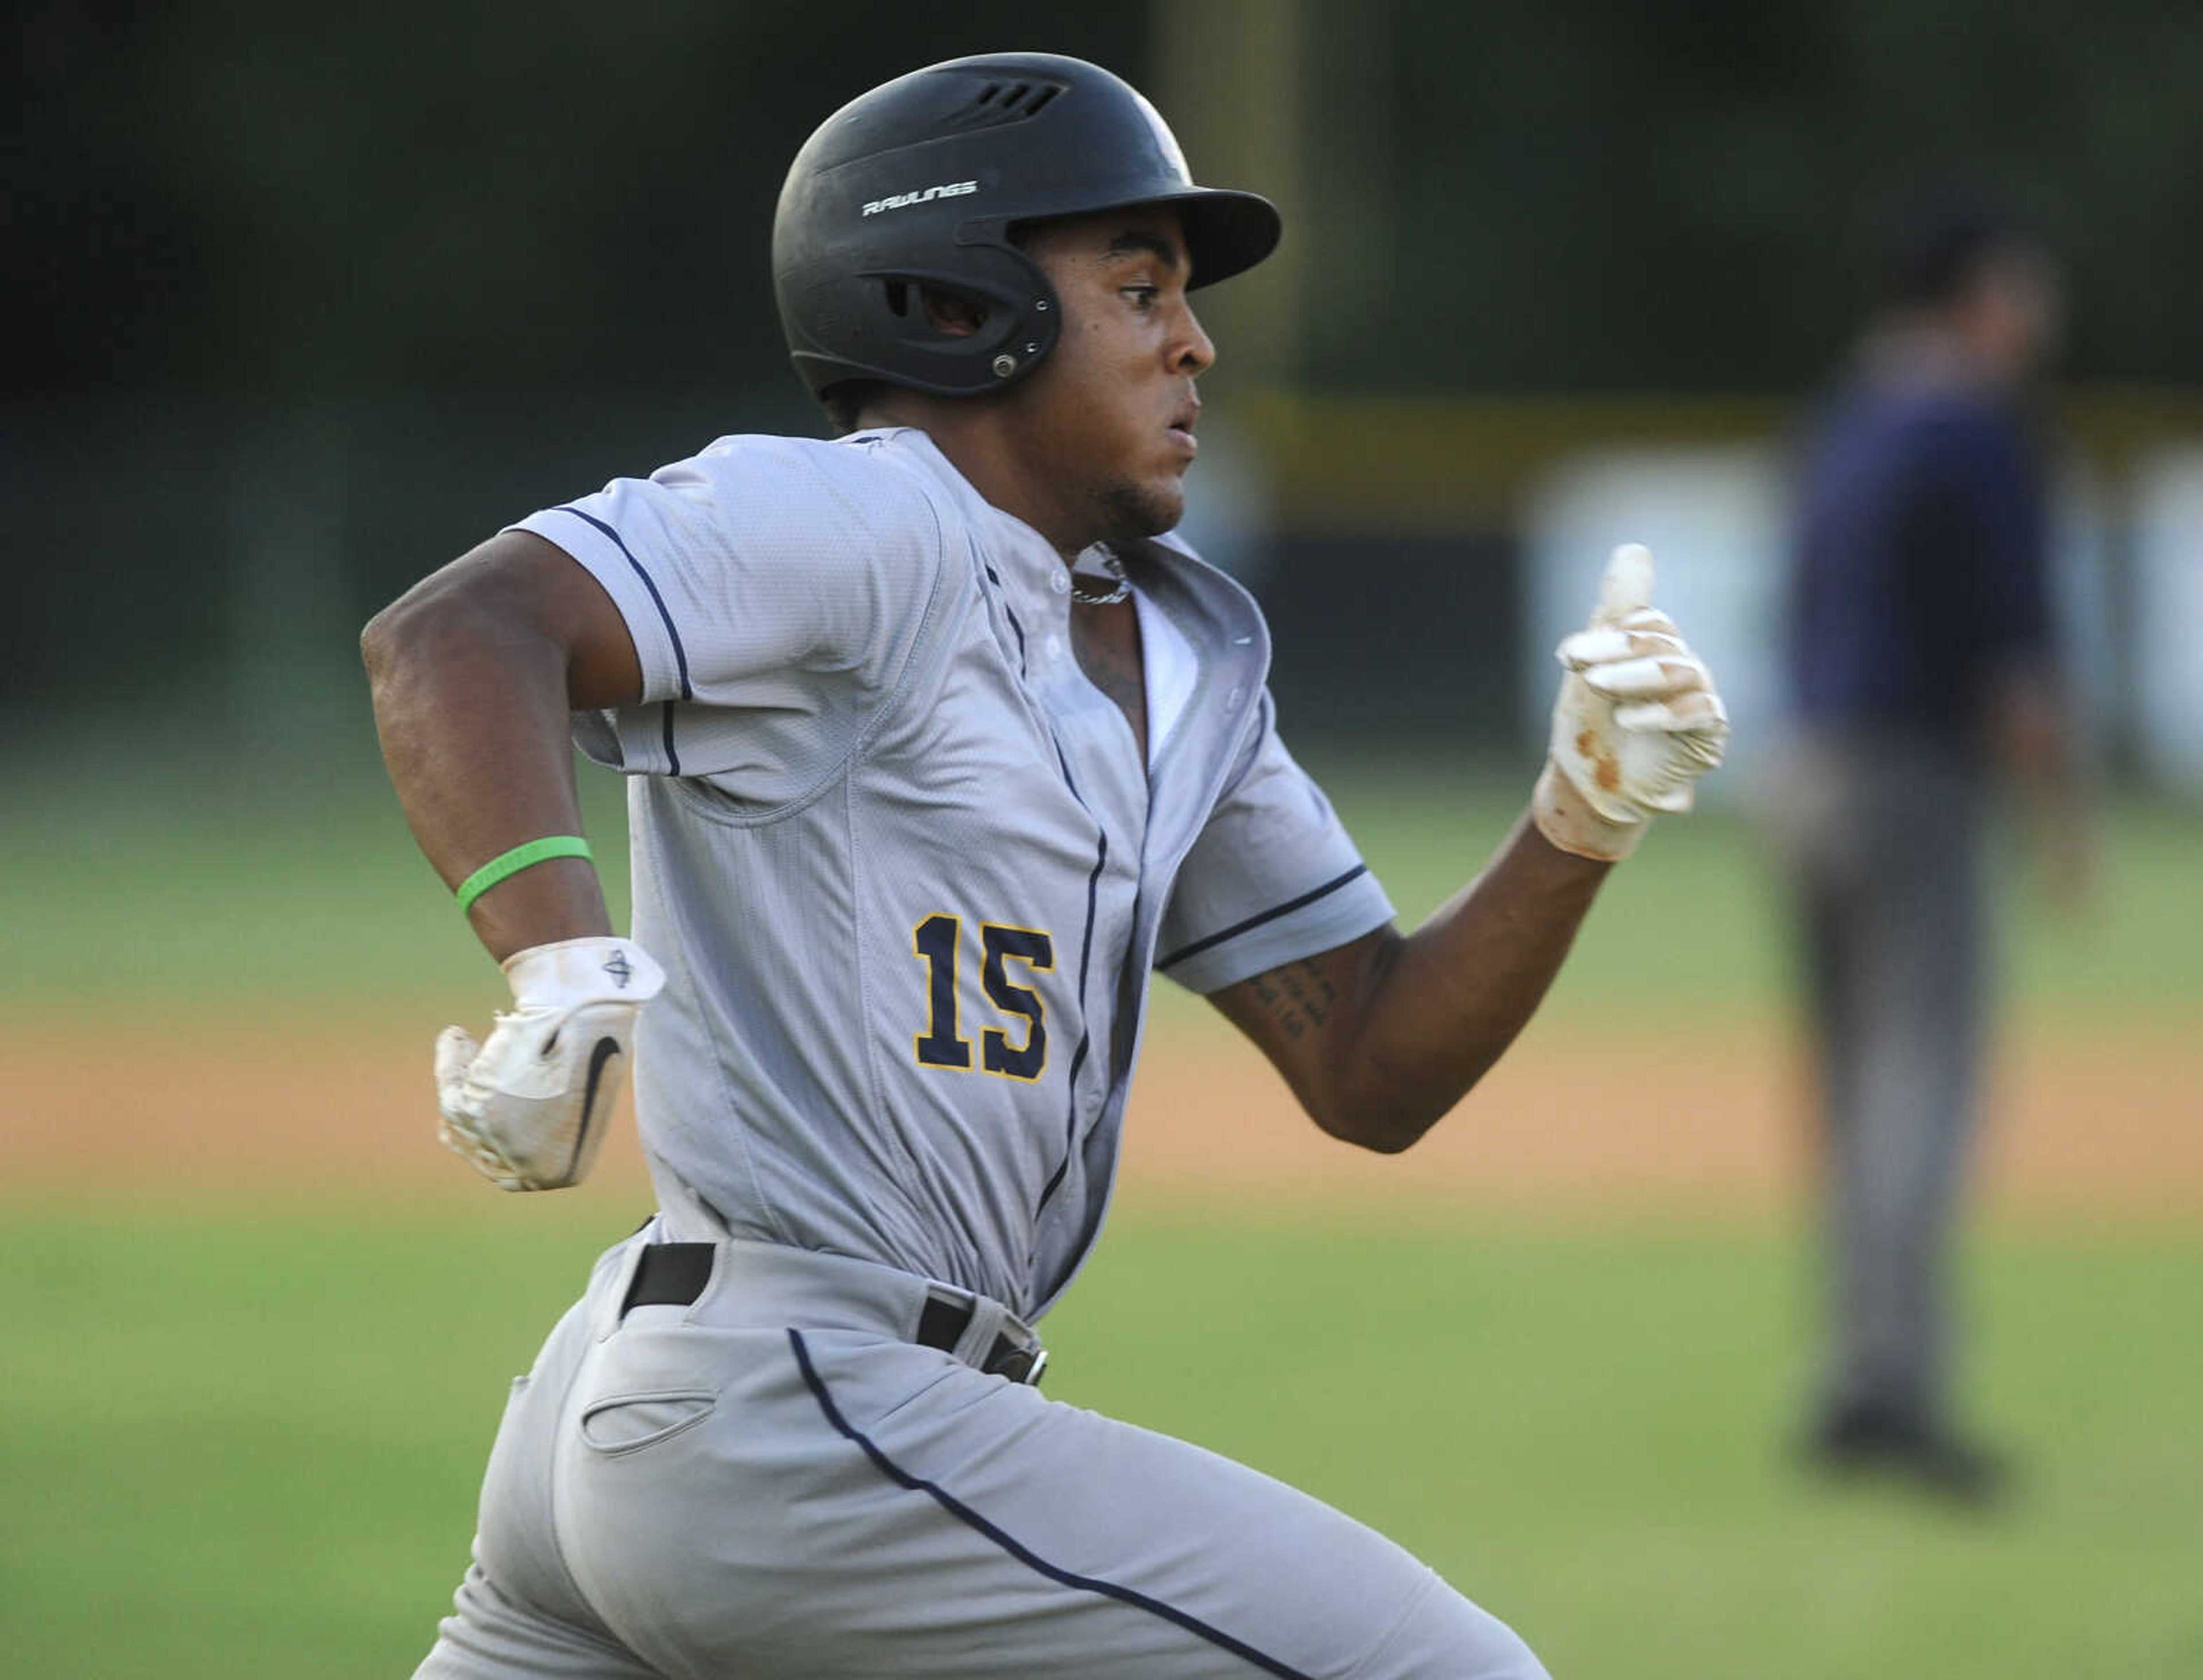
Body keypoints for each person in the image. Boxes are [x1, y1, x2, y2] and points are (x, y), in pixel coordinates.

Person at [364, 52, 1727, 1678]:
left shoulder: (1180, 653)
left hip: (682, 1411)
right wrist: (559, 957)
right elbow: (457, 633)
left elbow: (1371, 1061)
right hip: (793, 1408)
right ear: (959, 306)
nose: (1195, 340)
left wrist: (1578, 820)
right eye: (1138, 287)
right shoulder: (870, 522)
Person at [1779, 189, 2091, 1499]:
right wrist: (2062, 821)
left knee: (1852, 1094)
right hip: (1911, 782)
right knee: (1919, 1088)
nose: (2040, 308)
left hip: (1805, 775)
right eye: (2022, 282)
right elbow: (2013, 665)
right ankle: (1890, 1390)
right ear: (1975, 295)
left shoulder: (1847, 417)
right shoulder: (1974, 428)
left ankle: (1851, 1370)